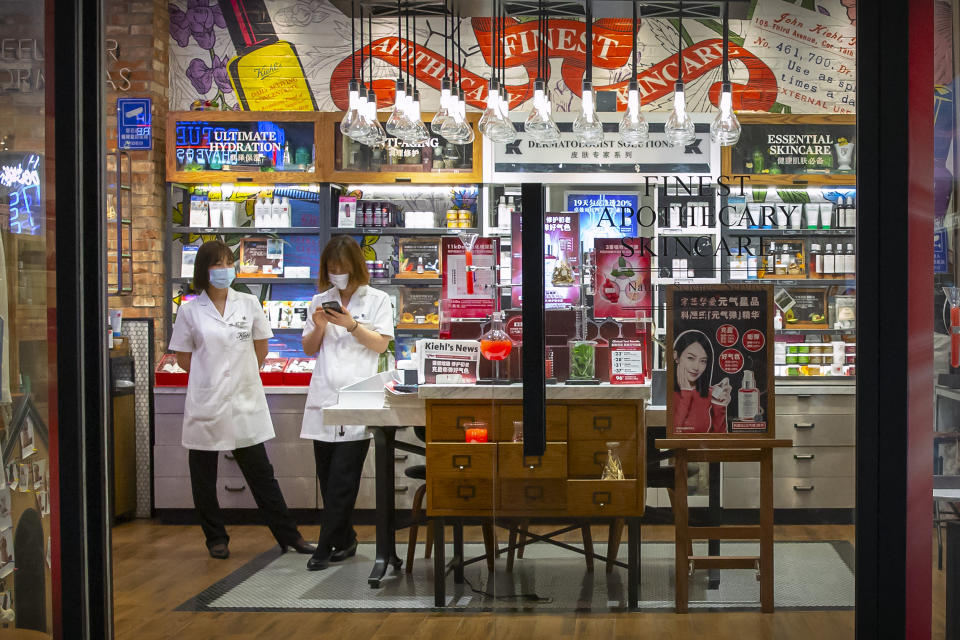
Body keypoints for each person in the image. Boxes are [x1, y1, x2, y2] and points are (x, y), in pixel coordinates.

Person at [169, 240, 313, 559]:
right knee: (203, 477)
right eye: (217, 264)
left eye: (228, 262)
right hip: (207, 403)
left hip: (245, 401)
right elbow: (182, 357)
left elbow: (261, 346)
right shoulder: (190, 309)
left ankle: (290, 537)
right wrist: (213, 374)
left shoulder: (248, 303)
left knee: (262, 474)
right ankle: (215, 538)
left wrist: (241, 373)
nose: (224, 269)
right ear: (204, 270)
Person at [301, 236, 393, 571]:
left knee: (343, 478)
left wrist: (352, 325)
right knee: (327, 480)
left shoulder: (379, 299)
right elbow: (309, 349)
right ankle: (347, 538)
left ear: (356, 267)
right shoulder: (319, 300)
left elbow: (380, 345)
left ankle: (323, 548)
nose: (338, 274)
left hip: (359, 398)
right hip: (324, 397)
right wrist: (320, 325)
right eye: (332, 269)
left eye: (343, 269)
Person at [672, 330, 730, 433]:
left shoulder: (710, 394)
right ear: (676, 356)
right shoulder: (669, 393)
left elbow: (719, 440)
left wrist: (719, 406)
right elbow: (675, 433)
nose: (696, 367)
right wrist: (686, 393)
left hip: (703, 448)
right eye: (690, 358)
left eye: (703, 361)